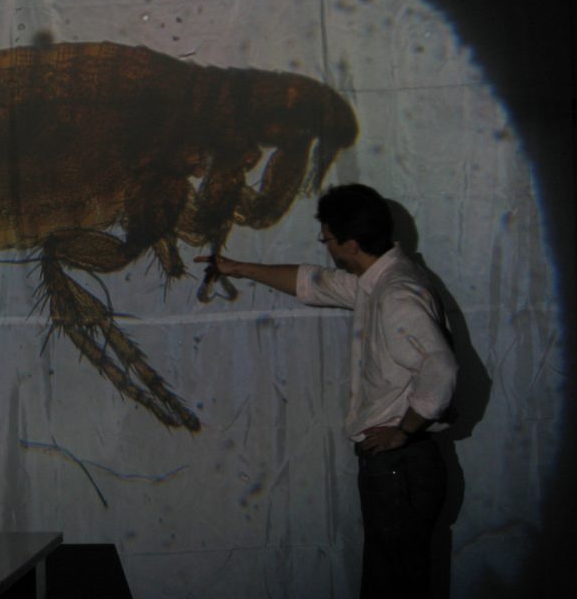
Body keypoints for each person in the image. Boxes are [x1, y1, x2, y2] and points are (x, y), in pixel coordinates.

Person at [196, 183, 457, 598]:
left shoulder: (397, 294)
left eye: (328, 238)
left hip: (400, 467)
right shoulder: (378, 282)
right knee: (391, 579)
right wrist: (240, 268)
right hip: (396, 467)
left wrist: (402, 431)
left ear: (350, 243)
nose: (326, 246)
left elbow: (441, 368)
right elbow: (314, 282)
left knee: (395, 584)